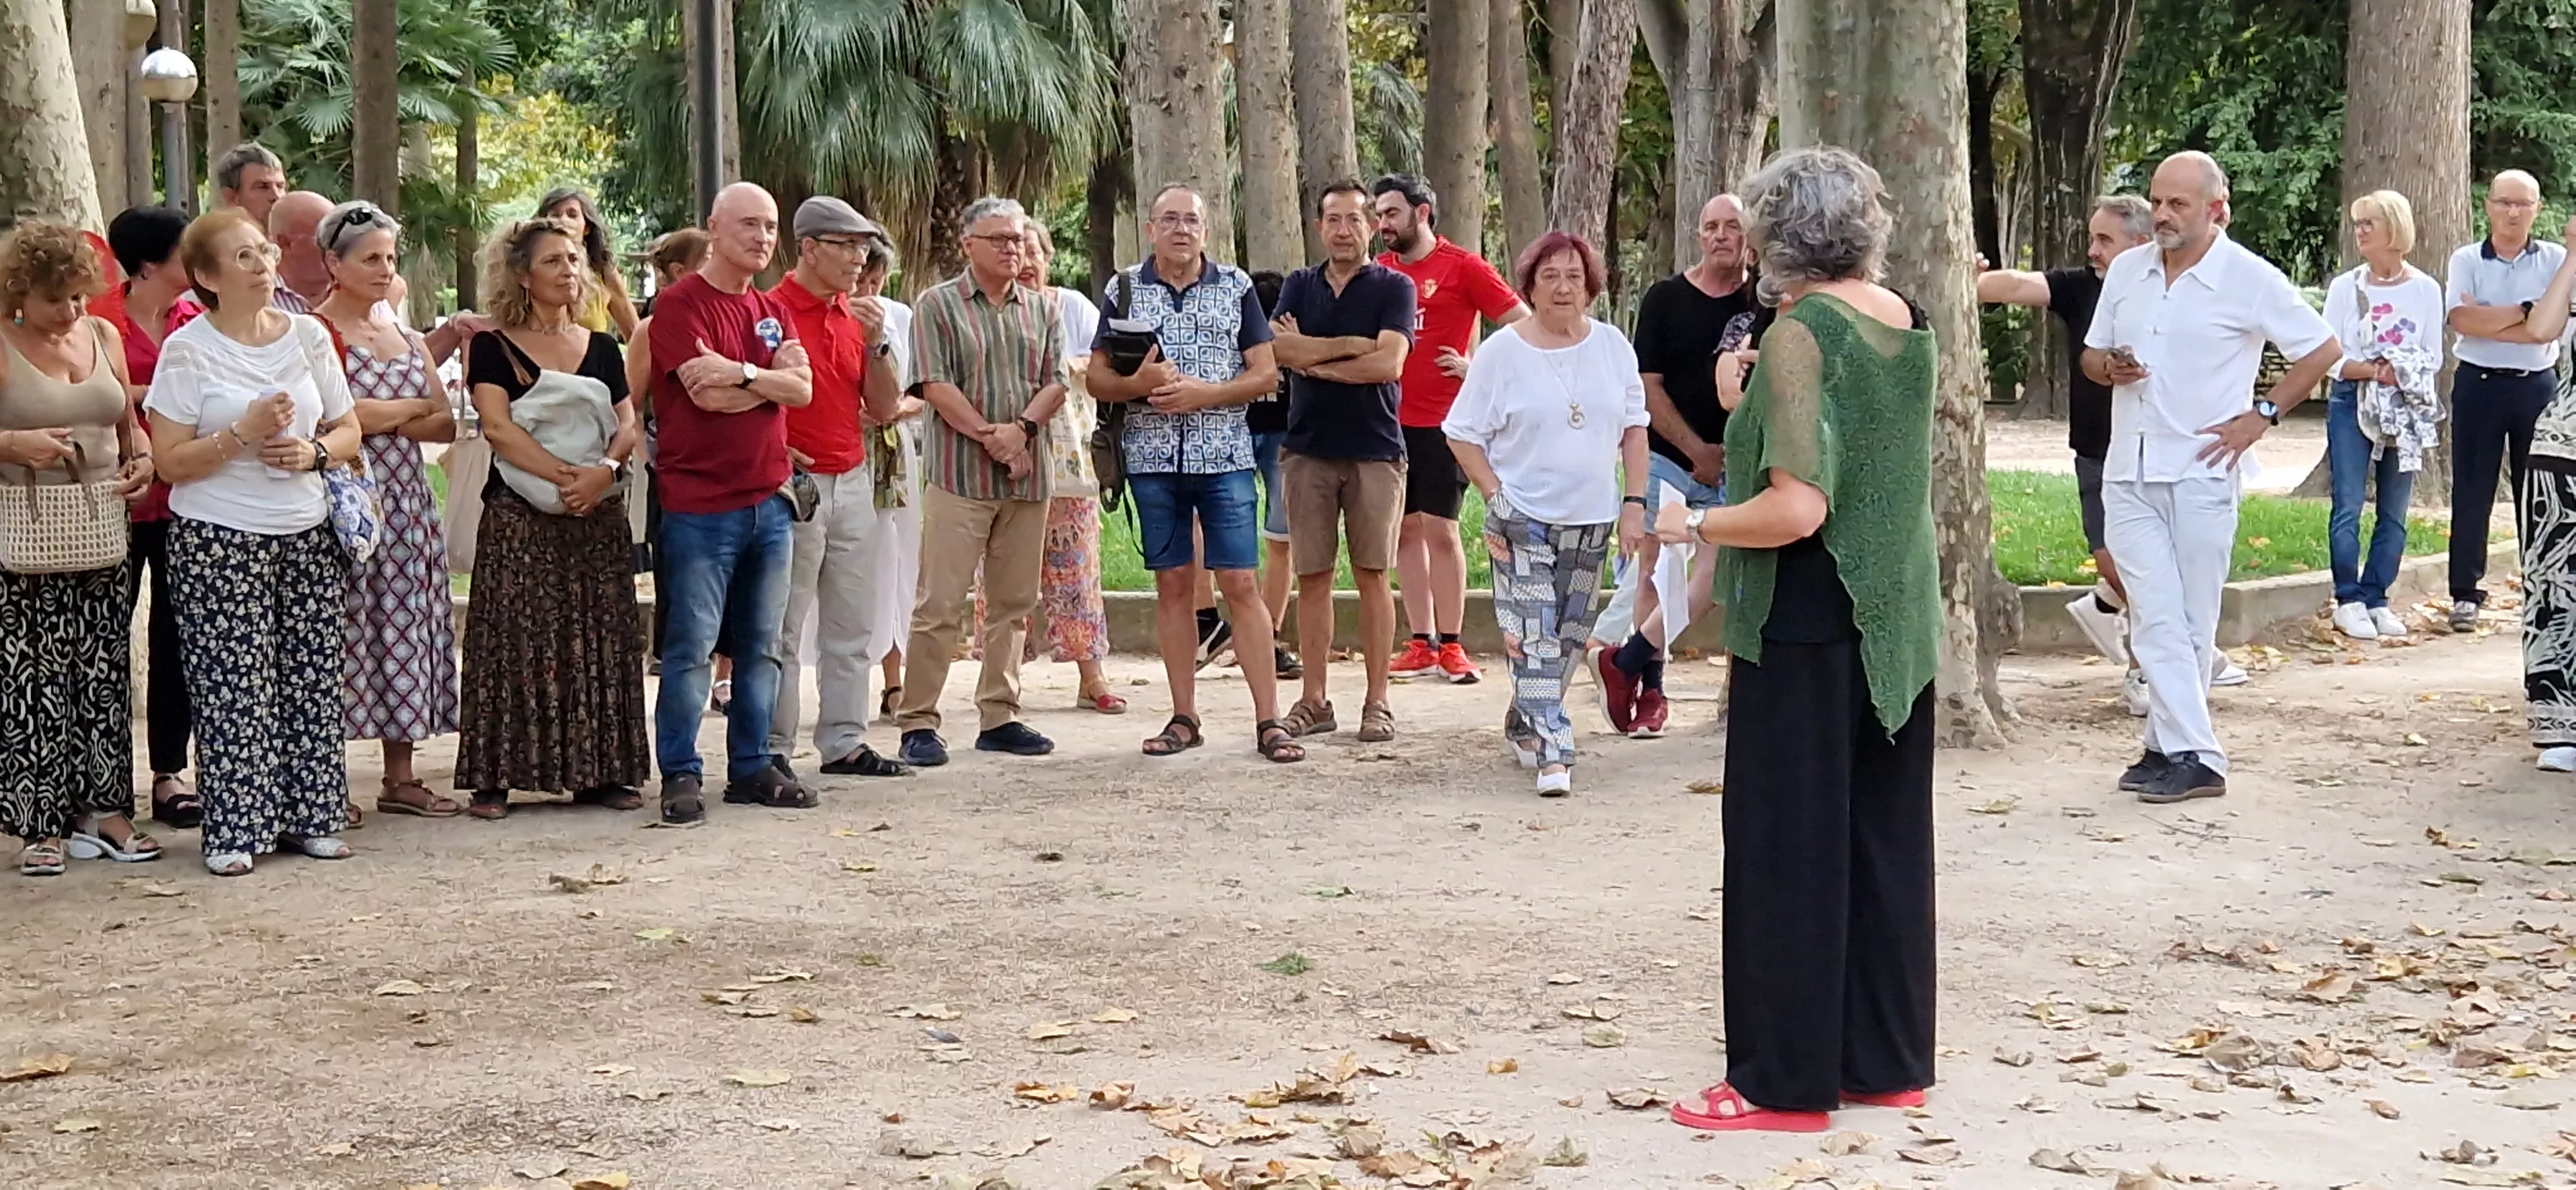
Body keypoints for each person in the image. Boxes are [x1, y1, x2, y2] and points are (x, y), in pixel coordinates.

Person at [1653, 146, 1941, 1136]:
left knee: (1785, 851)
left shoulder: (1797, 334)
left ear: (1779, 237)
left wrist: (1690, 524)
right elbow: (1856, 447)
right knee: (1882, 844)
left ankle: (1779, 1082)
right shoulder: (1906, 316)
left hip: (1808, 626)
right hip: (1898, 622)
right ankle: (1885, 1061)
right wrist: (1749, 409)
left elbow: (1796, 508)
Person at [2081, 152, 2341, 804]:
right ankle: (2194, 752)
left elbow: (2322, 350)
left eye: (2179, 205)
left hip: (2202, 470)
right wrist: (2106, 367)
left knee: (2189, 618)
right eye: (2157, 202)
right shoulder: (2128, 273)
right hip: (2128, 467)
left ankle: (2169, 746)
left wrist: (2261, 415)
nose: (2163, 215)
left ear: (2216, 210)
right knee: (2157, 614)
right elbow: (2089, 354)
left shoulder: (2248, 279)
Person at [144, 209, 366, 876]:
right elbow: (169, 461)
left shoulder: (307, 336)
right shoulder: (189, 350)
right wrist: (240, 433)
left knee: (312, 678)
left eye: (264, 252)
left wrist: (315, 452)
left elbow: (348, 427)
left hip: (304, 531)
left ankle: (313, 816)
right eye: (243, 257)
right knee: (231, 683)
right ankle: (236, 828)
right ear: (208, 276)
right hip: (218, 535)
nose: (263, 265)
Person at [1090, 185, 1300, 764]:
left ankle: (1269, 720)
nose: (1181, 230)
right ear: (1151, 229)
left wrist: (1205, 395)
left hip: (1226, 460)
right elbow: (1098, 379)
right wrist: (1145, 386)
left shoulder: (1235, 289)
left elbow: (1265, 375)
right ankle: (1184, 715)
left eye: (1192, 220)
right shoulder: (1123, 289)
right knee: (1174, 586)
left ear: (1206, 231)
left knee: (1241, 585)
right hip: (1152, 463)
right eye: (1169, 220)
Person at [455, 217, 653, 818]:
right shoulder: (492, 346)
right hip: (521, 515)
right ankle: (497, 775)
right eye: (553, 262)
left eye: (574, 260)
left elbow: (627, 421)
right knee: (514, 639)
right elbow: (497, 427)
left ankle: (601, 772)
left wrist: (604, 472)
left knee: (598, 637)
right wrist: (562, 476)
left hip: (595, 513)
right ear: (522, 275)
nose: (569, 271)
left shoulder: (601, 347)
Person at [1441, 231, 1647, 795]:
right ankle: (1555, 749)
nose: (1563, 288)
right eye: (1550, 276)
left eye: (1574, 277)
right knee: (1533, 633)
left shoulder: (1612, 347)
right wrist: (1494, 494)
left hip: (1593, 518)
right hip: (1521, 517)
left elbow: (1634, 430)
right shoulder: (1503, 351)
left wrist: (1634, 503)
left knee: (1568, 636)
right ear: (1529, 286)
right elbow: (1460, 432)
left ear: (1591, 287)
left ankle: (1523, 720)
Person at [647, 182, 815, 822]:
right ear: (713, 227)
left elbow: (802, 391)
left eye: (770, 227)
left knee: (761, 644)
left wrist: (744, 373)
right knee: (690, 648)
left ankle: (751, 766)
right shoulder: (679, 306)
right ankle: (681, 774)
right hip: (699, 504)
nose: (762, 238)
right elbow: (704, 398)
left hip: (769, 502)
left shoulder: (772, 310)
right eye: (748, 224)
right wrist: (772, 382)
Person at [0, 223, 158, 875]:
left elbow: (129, 421)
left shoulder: (102, 335)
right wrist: (11, 444)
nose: (68, 312)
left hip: (101, 522)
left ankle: (108, 808)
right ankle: (40, 820)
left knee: (103, 668)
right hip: (26, 523)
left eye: (77, 297)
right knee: (33, 676)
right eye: (53, 300)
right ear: (18, 293)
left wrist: (143, 458)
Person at [891, 196, 1066, 766]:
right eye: (999, 240)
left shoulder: (1042, 309)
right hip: (959, 477)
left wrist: (1022, 431)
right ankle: (918, 720)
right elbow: (932, 384)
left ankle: (1000, 713)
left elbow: (1057, 382)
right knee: (939, 604)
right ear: (968, 245)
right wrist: (992, 437)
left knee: (1015, 603)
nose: (1013, 249)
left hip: (1026, 479)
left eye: (1018, 239)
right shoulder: (937, 305)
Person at [1975, 194, 2157, 711]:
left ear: (2140, 244)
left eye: (2105, 240)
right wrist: (1964, 276)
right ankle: (2120, 612)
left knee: (2149, 567)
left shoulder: (2171, 291)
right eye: (2093, 238)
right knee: (2117, 563)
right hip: (2098, 453)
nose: (2093, 250)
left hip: (2157, 448)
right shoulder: (2081, 287)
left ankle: (2144, 666)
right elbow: (2015, 285)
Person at [312, 200, 462, 818]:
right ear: (334, 263)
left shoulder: (402, 333)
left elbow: (446, 420)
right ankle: (328, 778)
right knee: (341, 631)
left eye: (389, 258)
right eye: (370, 258)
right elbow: (332, 415)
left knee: (405, 626)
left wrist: (380, 415)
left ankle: (400, 775)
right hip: (345, 500)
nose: (383, 269)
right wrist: (401, 415)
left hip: (406, 500)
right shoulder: (317, 331)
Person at [1605, 193, 1765, 738]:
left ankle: (1625, 659)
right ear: (1699, 236)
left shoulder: (1763, 303)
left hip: (1736, 465)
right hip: (1668, 458)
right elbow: (1646, 387)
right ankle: (1651, 690)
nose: (1722, 236)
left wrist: (1724, 458)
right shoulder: (1666, 299)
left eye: (1733, 227)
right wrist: (1696, 452)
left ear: (1750, 237)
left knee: (1711, 577)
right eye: (1711, 227)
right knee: (1651, 570)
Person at [1265, 176, 1416, 743]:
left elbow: (1389, 365)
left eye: (1356, 219)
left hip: (1375, 448)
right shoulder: (1299, 286)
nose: (1344, 230)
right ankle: (1313, 699)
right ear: (1319, 226)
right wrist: (1353, 344)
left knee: (1374, 575)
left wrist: (1315, 361)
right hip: (1307, 449)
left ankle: (1378, 700)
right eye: (1334, 219)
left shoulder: (1393, 288)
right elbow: (1279, 348)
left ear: (1373, 227)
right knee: (1313, 576)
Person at [764, 196, 909, 779]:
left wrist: (877, 346)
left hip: (852, 473)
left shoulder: (860, 315)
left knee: (852, 620)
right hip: (792, 481)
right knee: (782, 622)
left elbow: (885, 406)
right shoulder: (769, 310)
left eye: (863, 247)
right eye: (846, 246)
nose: (859, 258)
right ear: (809, 249)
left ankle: (845, 740)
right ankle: (771, 748)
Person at [1372, 173, 1529, 683]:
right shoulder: (1380, 272)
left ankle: (1454, 645)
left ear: (1422, 214)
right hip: (1387, 419)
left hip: (1445, 422)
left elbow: (1522, 323)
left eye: (1392, 213)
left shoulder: (1463, 267)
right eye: (1379, 215)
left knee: (1440, 528)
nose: (1383, 224)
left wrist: (1477, 367)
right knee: (1405, 530)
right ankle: (1421, 641)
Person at [972, 220, 1122, 713]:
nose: (1028, 261)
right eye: (1019, 250)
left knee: (1077, 570)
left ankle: (1091, 677)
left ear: (1048, 257)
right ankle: (1002, 684)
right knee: (1002, 574)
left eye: (1035, 250)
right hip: (1005, 457)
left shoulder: (1074, 307)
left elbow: (1105, 366)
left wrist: (1073, 368)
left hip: (1066, 464)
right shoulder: (991, 313)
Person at [95, 205, 205, 827]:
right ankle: (105, 779)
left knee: (176, 638)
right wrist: (151, 397)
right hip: (115, 500)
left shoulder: (199, 318)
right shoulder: (96, 318)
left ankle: (169, 772)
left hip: (186, 496)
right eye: (186, 249)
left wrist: (141, 396)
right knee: (108, 642)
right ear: (149, 263)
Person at [2321, 191, 2445, 641]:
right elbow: (2331, 355)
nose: (2361, 232)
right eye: (2357, 224)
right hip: (2351, 399)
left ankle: (2377, 596)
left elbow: (2432, 354)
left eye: (2369, 223)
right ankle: (2348, 597)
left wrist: (2401, 372)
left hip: (2404, 407)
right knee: (2349, 504)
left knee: (2394, 510)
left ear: (2394, 228)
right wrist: (2375, 370)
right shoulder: (2345, 288)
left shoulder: (2426, 289)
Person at [2447, 171, 2566, 632]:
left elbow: (2551, 330)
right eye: (2505, 203)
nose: (2513, 212)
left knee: (2539, 493)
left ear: (2536, 208)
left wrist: (2496, 318)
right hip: (2479, 382)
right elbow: (2462, 320)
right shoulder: (2466, 259)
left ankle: (2543, 591)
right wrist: (2524, 311)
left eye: (2523, 204)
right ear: (2489, 206)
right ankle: (2465, 593)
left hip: (2537, 384)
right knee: (2472, 490)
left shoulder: (2557, 259)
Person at [2505, 219, 2576, 770]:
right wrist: (2573, 256)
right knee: (2555, 589)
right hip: (2562, 448)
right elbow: (2541, 331)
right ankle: (2559, 724)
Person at [631, 228, 714, 670]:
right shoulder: (652, 328)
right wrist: (647, 459)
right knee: (675, 569)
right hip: (673, 469)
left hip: (723, 469)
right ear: (680, 273)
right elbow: (630, 401)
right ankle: (669, 653)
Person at [853, 238, 924, 721]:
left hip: (893, 456)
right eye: (861, 279)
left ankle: (895, 681)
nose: (868, 290)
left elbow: (925, 390)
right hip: (843, 449)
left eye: (875, 282)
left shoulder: (900, 318)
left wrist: (893, 410)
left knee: (895, 563)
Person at [1246, 269, 1300, 679]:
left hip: (1285, 435)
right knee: (1233, 537)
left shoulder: (1296, 332)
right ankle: (1239, 627)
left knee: (1282, 537)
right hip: (1239, 430)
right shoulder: (1237, 325)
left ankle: (1270, 633)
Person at [536, 187, 643, 339]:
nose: (563, 220)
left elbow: (635, 334)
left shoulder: (604, 273)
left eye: (572, 215)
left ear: (587, 228)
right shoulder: (529, 272)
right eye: (555, 215)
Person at [265, 190, 337, 313]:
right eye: (328, 238)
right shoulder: (256, 301)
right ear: (286, 243)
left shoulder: (364, 293)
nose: (340, 247)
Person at [214, 144, 289, 228]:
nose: (277, 196)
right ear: (231, 198)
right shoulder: (210, 240)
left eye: (280, 186)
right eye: (263, 187)